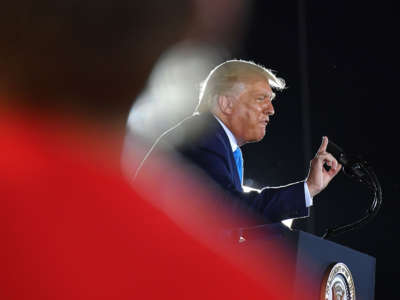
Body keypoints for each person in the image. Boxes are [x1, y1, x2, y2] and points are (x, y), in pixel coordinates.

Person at [135, 59, 341, 225]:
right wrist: (308, 188)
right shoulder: (203, 137)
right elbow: (229, 211)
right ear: (225, 103)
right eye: (261, 98)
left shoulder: (219, 142)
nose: (271, 109)